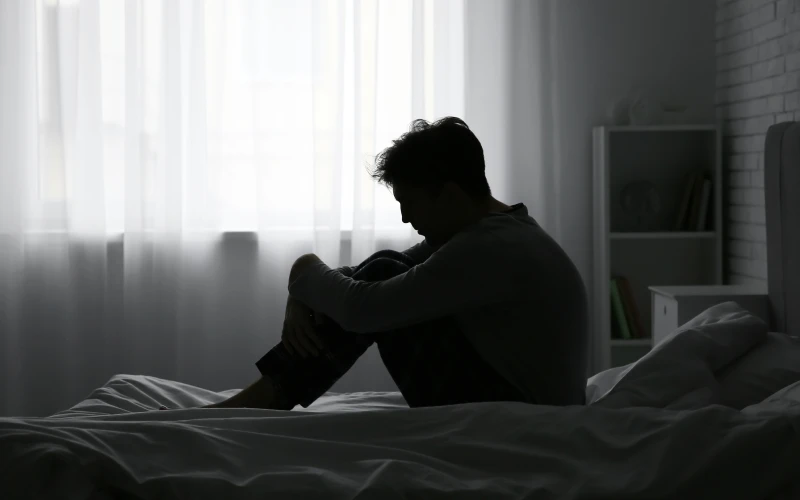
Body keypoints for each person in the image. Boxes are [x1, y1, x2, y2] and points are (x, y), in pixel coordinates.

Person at [161, 116, 588, 411]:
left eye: (409, 204)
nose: (405, 219)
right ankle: (265, 397)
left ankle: (264, 399)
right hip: (515, 396)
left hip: (525, 416)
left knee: (383, 277)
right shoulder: (493, 232)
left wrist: (304, 273)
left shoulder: (492, 248)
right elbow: (357, 282)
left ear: (450, 195)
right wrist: (300, 291)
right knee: (387, 265)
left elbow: (363, 308)